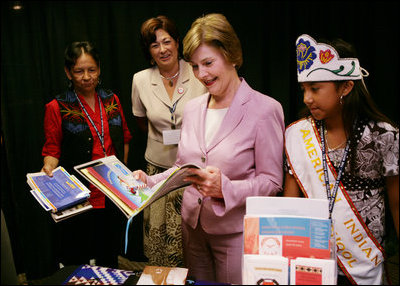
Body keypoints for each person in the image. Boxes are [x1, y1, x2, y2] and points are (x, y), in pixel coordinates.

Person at [133, 13, 285, 284]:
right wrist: (149, 181)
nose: (201, 74)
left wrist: (226, 188)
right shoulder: (193, 108)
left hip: (235, 233)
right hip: (192, 228)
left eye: (208, 63)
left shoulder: (265, 109)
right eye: (194, 66)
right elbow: (183, 167)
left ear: (232, 56)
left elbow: (272, 182)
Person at [284, 34, 399, 285]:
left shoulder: (383, 135)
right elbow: (290, 207)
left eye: (315, 89)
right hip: (313, 262)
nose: (306, 98)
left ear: (346, 87)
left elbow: (396, 205)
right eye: (304, 89)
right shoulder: (298, 135)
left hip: (364, 265)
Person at [41, 41, 132, 268]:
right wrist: (48, 168)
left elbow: (125, 140)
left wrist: (122, 176)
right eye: (79, 71)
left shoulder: (112, 100)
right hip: (80, 196)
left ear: (99, 69)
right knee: (77, 257)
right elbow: (52, 149)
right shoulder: (57, 106)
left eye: (91, 70)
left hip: (111, 191)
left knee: (109, 255)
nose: (86, 77)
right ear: (68, 72)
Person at [131, 15, 206, 267]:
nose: (162, 49)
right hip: (157, 167)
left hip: (192, 169)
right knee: (159, 240)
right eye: (154, 45)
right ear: (149, 51)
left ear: (177, 42)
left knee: (188, 239)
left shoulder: (198, 73)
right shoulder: (140, 80)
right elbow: (142, 120)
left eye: (167, 41)